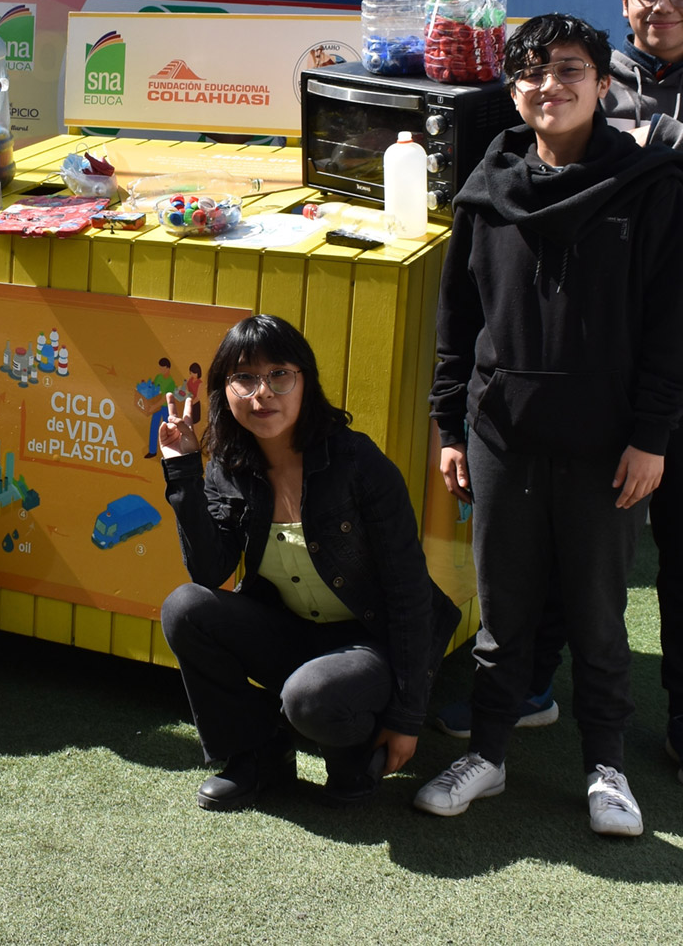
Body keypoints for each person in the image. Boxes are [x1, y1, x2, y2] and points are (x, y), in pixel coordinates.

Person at [435, 0, 683, 793]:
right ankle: (535, 682)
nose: (657, 9)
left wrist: (674, 138)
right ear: (623, 0)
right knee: (555, 529)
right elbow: (493, 183)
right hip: (569, 364)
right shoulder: (575, 68)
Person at [417, 14, 683, 837]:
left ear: (602, 83)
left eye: (569, 69)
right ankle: (487, 752)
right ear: (512, 88)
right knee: (504, 607)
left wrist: (652, 436)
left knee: (597, 611)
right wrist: (449, 424)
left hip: (606, 445)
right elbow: (458, 320)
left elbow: (675, 333)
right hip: (502, 433)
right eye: (532, 71)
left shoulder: (652, 187)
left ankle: (607, 767)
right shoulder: (489, 184)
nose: (549, 84)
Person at [156, 314, 459, 811]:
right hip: (293, 634)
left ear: (305, 382)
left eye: (279, 375)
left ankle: (347, 739)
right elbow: (209, 573)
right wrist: (183, 469)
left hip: (371, 641)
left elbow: (409, 592)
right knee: (185, 607)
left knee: (312, 703)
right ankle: (257, 755)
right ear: (223, 392)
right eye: (245, 378)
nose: (262, 395)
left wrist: (407, 718)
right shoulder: (229, 468)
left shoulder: (358, 463)